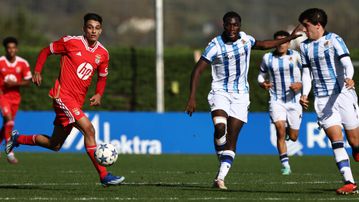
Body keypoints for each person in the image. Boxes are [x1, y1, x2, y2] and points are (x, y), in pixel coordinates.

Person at [185, 11, 301, 190]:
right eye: (229, 25)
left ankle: (220, 178)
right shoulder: (215, 45)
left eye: (235, 25)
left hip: (241, 96)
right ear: (223, 25)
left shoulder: (246, 40)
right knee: (220, 127)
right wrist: (192, 97)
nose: (232, 28)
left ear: (240, 25)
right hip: (220, 92)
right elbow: (198, 69)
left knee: (232, 138)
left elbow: (263, 44)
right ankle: (221, 153)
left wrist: (289, 38)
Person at [5, 13, 125, 187]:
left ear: (101, 30)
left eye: (97, 28)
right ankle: (104, 175)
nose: (93, 31)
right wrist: (37, 71)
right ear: (84, 28)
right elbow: (46, 51)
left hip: (76, 101)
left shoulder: (103, 54)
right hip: (62, 96)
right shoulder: (70, 42)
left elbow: (103, 76)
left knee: (55, 144)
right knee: (89, 130)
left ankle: (17, 139)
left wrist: (99, 94)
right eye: (90, 27)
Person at [298, 8, 359, 194]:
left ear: (318, 25)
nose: (304, 30)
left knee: (355, 141)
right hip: (323, 100)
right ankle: (349, 181)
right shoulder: (304, 46)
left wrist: (349, 76)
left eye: (307, 26)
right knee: (335, 139)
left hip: (343, 94)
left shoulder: (334, 40)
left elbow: (347, 62)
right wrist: (304, 93)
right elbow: (306, 73)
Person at [257, 30, 302, 175]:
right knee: (279, 129)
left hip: (294, 101)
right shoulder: (267, 58)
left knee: (293, 137)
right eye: (279, 41)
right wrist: (262, 83)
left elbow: (309, 75)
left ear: (289, 43)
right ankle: (285, 165)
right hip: (276, 100)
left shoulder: (296, 57)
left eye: (285, 41)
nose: (282, 44)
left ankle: (290, 131)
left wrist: (300, 85)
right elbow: (260, 75)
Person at [0, 37, 32, 164]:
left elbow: (28, 81)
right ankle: (10, 153)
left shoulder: (23, 63)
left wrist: (14, 84)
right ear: (6, 49)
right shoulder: (1, 62)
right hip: (2, 96)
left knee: (7, 125)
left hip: (15, 98)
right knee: (8, 120)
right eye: (9, 48)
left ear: (16, 49)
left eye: (13, 48)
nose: (11, 50)